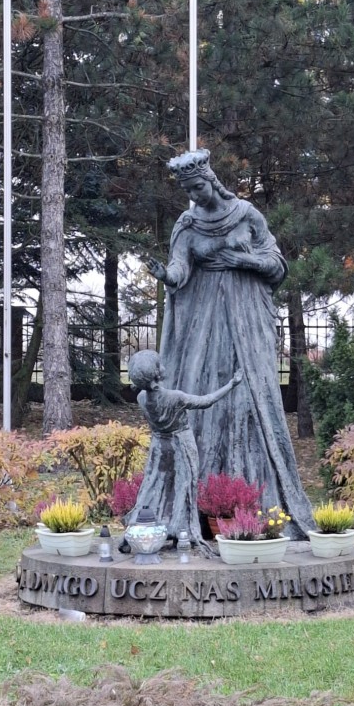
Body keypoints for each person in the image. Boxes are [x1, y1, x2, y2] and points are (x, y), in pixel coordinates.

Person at [146, 148, 315, 540]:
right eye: (188, 190)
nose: (194, 196)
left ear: (210, 180)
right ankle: (201, 505)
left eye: (197, 187)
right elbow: (180, 269)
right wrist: (166, 275)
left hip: (246, 317)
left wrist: (244, 261)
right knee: (203, 396)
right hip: (203, 325)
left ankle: (255, 502)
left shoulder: (246, 214)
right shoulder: (187, 224)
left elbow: (277, 266)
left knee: (248, 398)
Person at [124, 349, 243, 554]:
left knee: (155, 487)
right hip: (181, 445)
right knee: (183, 488)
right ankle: (181, 531)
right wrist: (232, 384)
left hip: (159, 447)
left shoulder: (141, 397)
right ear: (156, 374)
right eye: (159, 365)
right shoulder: (175, 397)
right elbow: (207, 401)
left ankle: (149, 527)